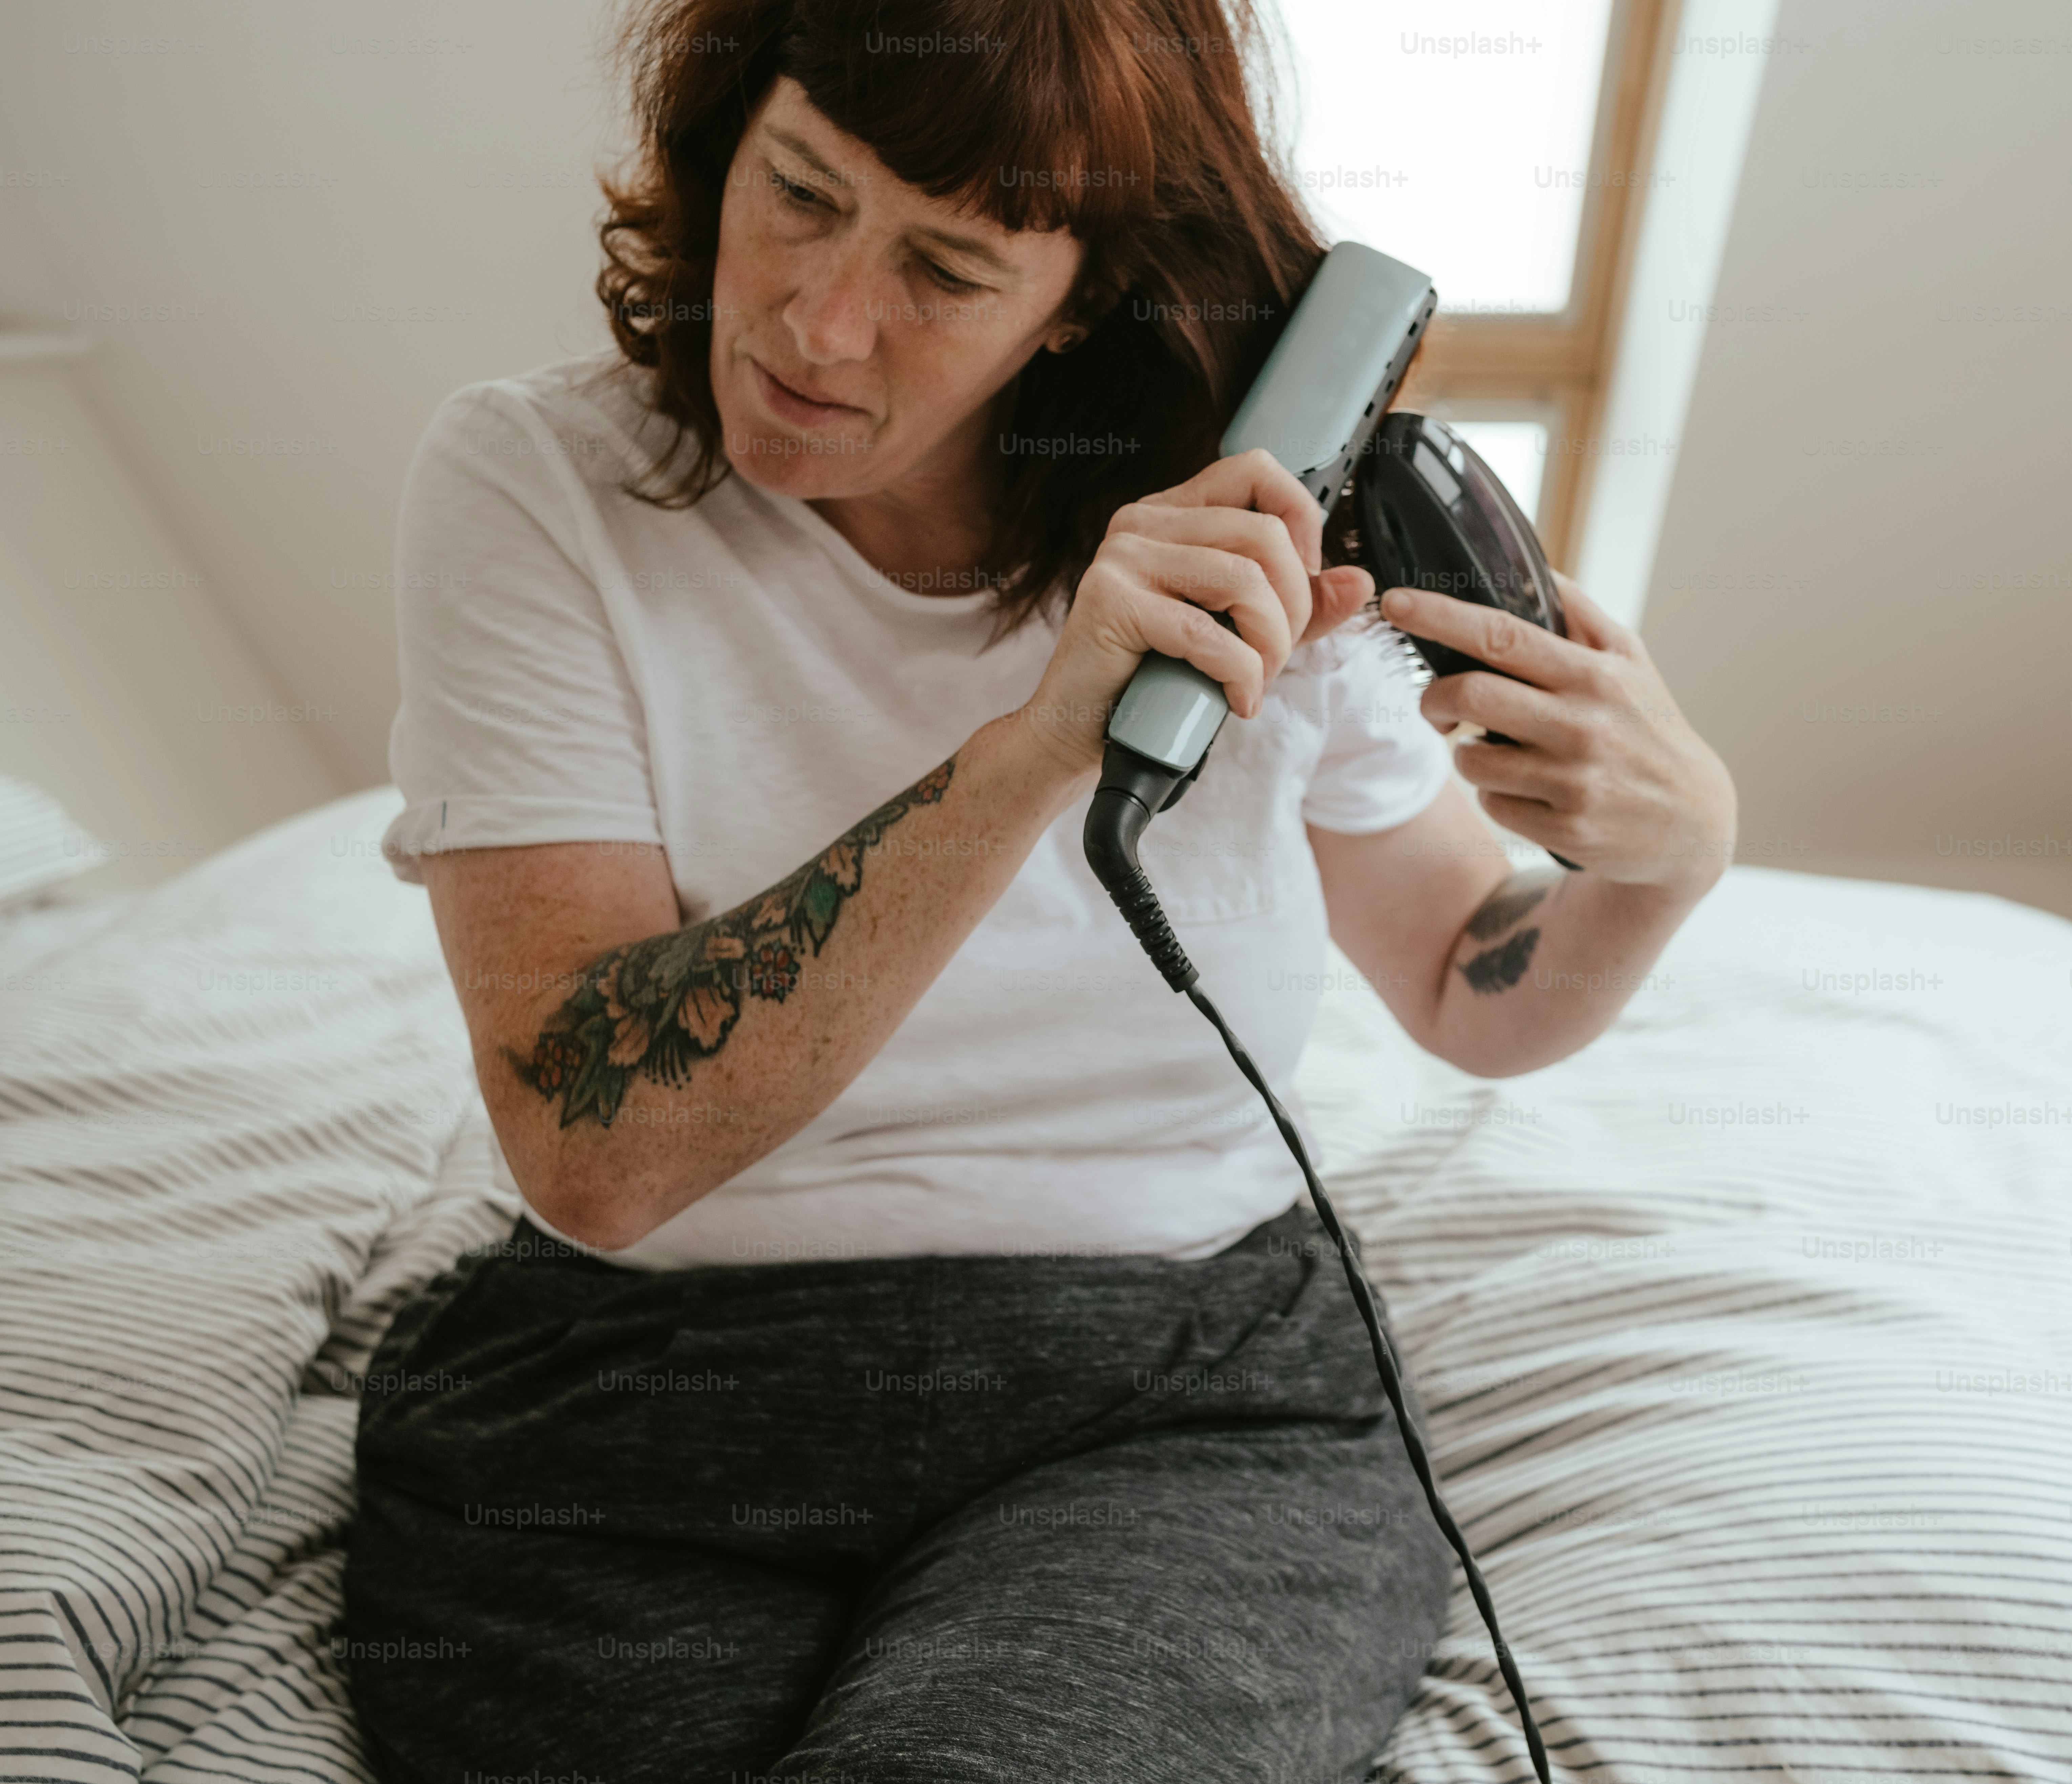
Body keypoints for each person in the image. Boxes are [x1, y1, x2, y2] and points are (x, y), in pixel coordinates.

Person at [342, 1, 1735, 1778]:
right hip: (639, 1410)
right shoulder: (539, 483)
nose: (821, 321)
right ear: (726, 144)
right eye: (800, 193)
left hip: (1173, 1404)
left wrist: (1674, 857)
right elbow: (591, 1151)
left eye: (946, 269)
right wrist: (1029, 751)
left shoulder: (1260, 544)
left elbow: (1477, 980)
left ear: (1082, 298)